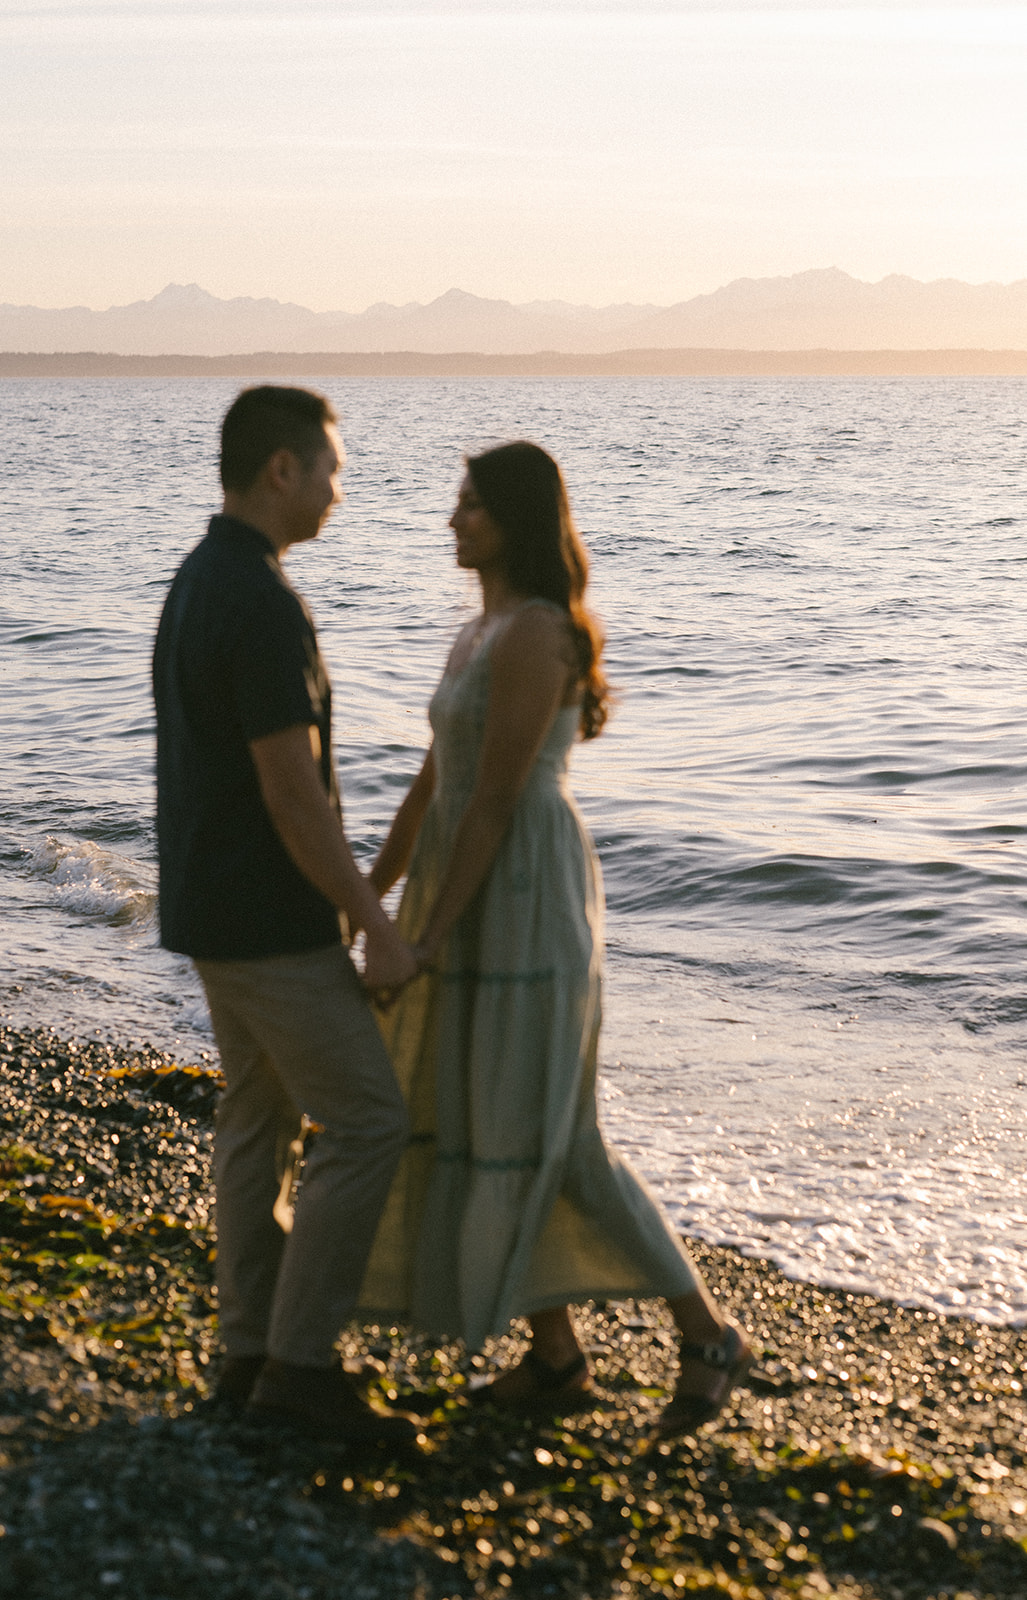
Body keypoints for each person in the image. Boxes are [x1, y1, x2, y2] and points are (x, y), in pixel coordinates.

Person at [359, 440, 751, 1436]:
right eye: (456, 502)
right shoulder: (477, 630)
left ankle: (707, 1332)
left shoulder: (536, 632)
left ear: (519, 521)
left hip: (523, 893)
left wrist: (428, 936)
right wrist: (373, 892)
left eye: (472, 506)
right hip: (466, 883)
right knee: (481, 1119)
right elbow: (433, 779)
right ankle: (556, 1354)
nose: (452, 521)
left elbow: (492, 801)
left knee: (556, 1132)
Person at [152, 385, 419, 1445]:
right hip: (267, 920)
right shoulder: (259, 599)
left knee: (256, 1122)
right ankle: (300, 1372)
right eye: (331, 470)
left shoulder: (196, 580)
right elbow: (289, 788)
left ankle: (247, 1350)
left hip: (209, 908)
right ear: (281, 470)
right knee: (366, 1120)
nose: (337, 492)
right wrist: (371, 916)